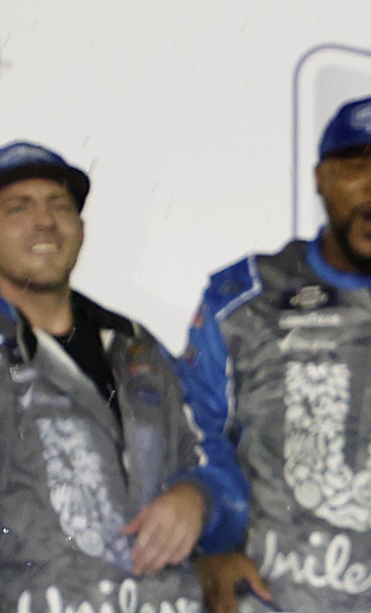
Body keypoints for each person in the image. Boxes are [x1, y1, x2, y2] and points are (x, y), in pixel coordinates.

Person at [179, 91, 371, 612]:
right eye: (356, 165)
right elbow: (189, 434)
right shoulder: (246, 297)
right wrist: (212, 551)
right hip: (272, 599)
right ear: (320, 178)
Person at [0, 140, 239, 613]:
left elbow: (218, 464)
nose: (44, 222)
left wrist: (199, 497)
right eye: (17, 209)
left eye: (60, 207)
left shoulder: (134, 345)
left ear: (81, 230)